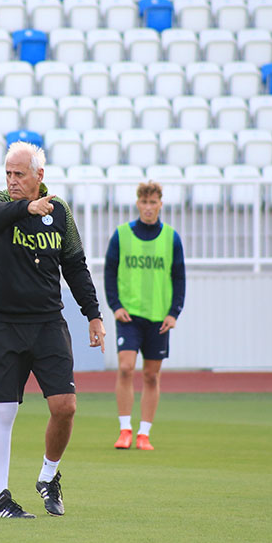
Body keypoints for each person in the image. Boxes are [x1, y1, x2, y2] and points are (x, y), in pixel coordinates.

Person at [0, 141, 106, 518]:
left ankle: (48, 476)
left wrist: (93, 314)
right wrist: (26, 208)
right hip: (2, 324)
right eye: (8, 173)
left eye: (19, 174)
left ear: (39, 175)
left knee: (65, 407)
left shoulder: (60, 211)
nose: (12, 180)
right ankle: (0, 498)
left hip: (48, 322)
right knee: (3, 411)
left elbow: (76, 266)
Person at [104, 181, 185, 451]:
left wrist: (174, 313)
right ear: (137, 203)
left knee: (151, 375)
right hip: (129, 316)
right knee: (126, 368)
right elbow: (110, 273)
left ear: (160, 204)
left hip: (158, 317)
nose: (148, 207)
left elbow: (179, 277)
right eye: (144, 202)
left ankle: (144, 433)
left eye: (153, 202)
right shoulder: (121, 235)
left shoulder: (171, 238)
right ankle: (125, 429)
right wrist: (115, 305)